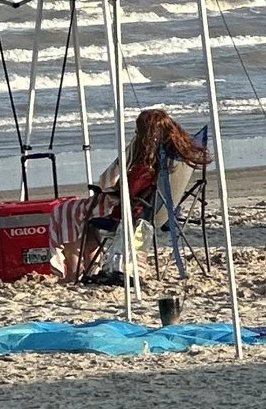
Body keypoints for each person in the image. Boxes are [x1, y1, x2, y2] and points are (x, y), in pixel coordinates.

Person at [72, 107, 208, 280]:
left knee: (76, 217)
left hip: (139, 214)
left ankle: (86, 270)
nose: (136, 134)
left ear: (145, 134)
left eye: (138, 131)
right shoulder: (179, 153)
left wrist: (128, 153)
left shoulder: (146, 166)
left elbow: (109, 184)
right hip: (168, 212)